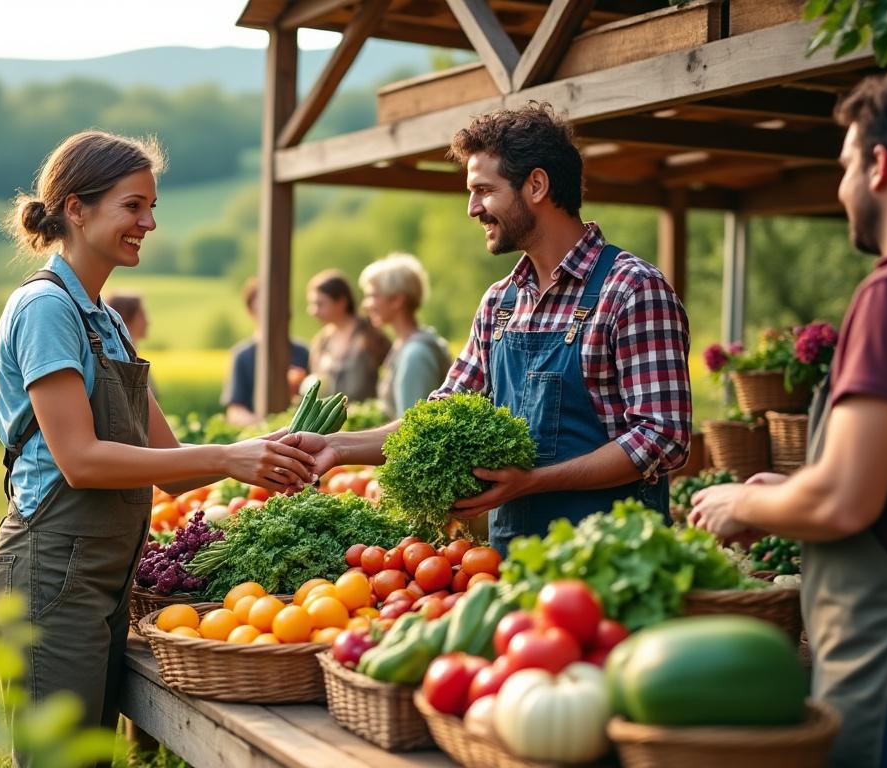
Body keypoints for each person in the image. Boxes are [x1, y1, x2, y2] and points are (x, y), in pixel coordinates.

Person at [0, 130, 314, 755]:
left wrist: (266, 446)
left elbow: (172, 468)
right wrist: (227, 456)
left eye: (152, 207)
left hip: (105, 573)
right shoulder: (46, 310)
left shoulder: (104, 319)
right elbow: (79, 461)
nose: (150, 222)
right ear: (76, 210)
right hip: (53, 568)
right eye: (133, 206)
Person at [287, 104, 691, 554]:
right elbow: (439, 416)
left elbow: (661, 437)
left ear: (536, 185)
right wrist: (337, 446)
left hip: (614, 560)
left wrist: (533, 482)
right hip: (510, 559)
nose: (472, 208)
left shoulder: (633, 288)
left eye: (483, 190)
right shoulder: (500, 301)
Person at [690, 62, 887, 768]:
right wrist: (782, 496)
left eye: (844, 165)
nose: (839, 187)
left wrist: (743, 497)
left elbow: (843, 500)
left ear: (881, 166)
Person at [359, 253, 453, 419]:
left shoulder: (415, 354)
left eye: (373, 296)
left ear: (397, 300)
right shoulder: (404, 345)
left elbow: (411, 425)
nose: (366, 304)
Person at [222, 276, 310, 427]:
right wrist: (265, 427)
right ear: (250, 310)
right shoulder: (242, 355)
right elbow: (235, 410)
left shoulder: (303, 352)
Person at [306, 268, 390, 401]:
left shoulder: (372, 337)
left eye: (320, 304)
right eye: (312, 304)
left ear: (341, 302)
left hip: (370, 419)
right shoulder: (320, 342)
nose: (313, 311)